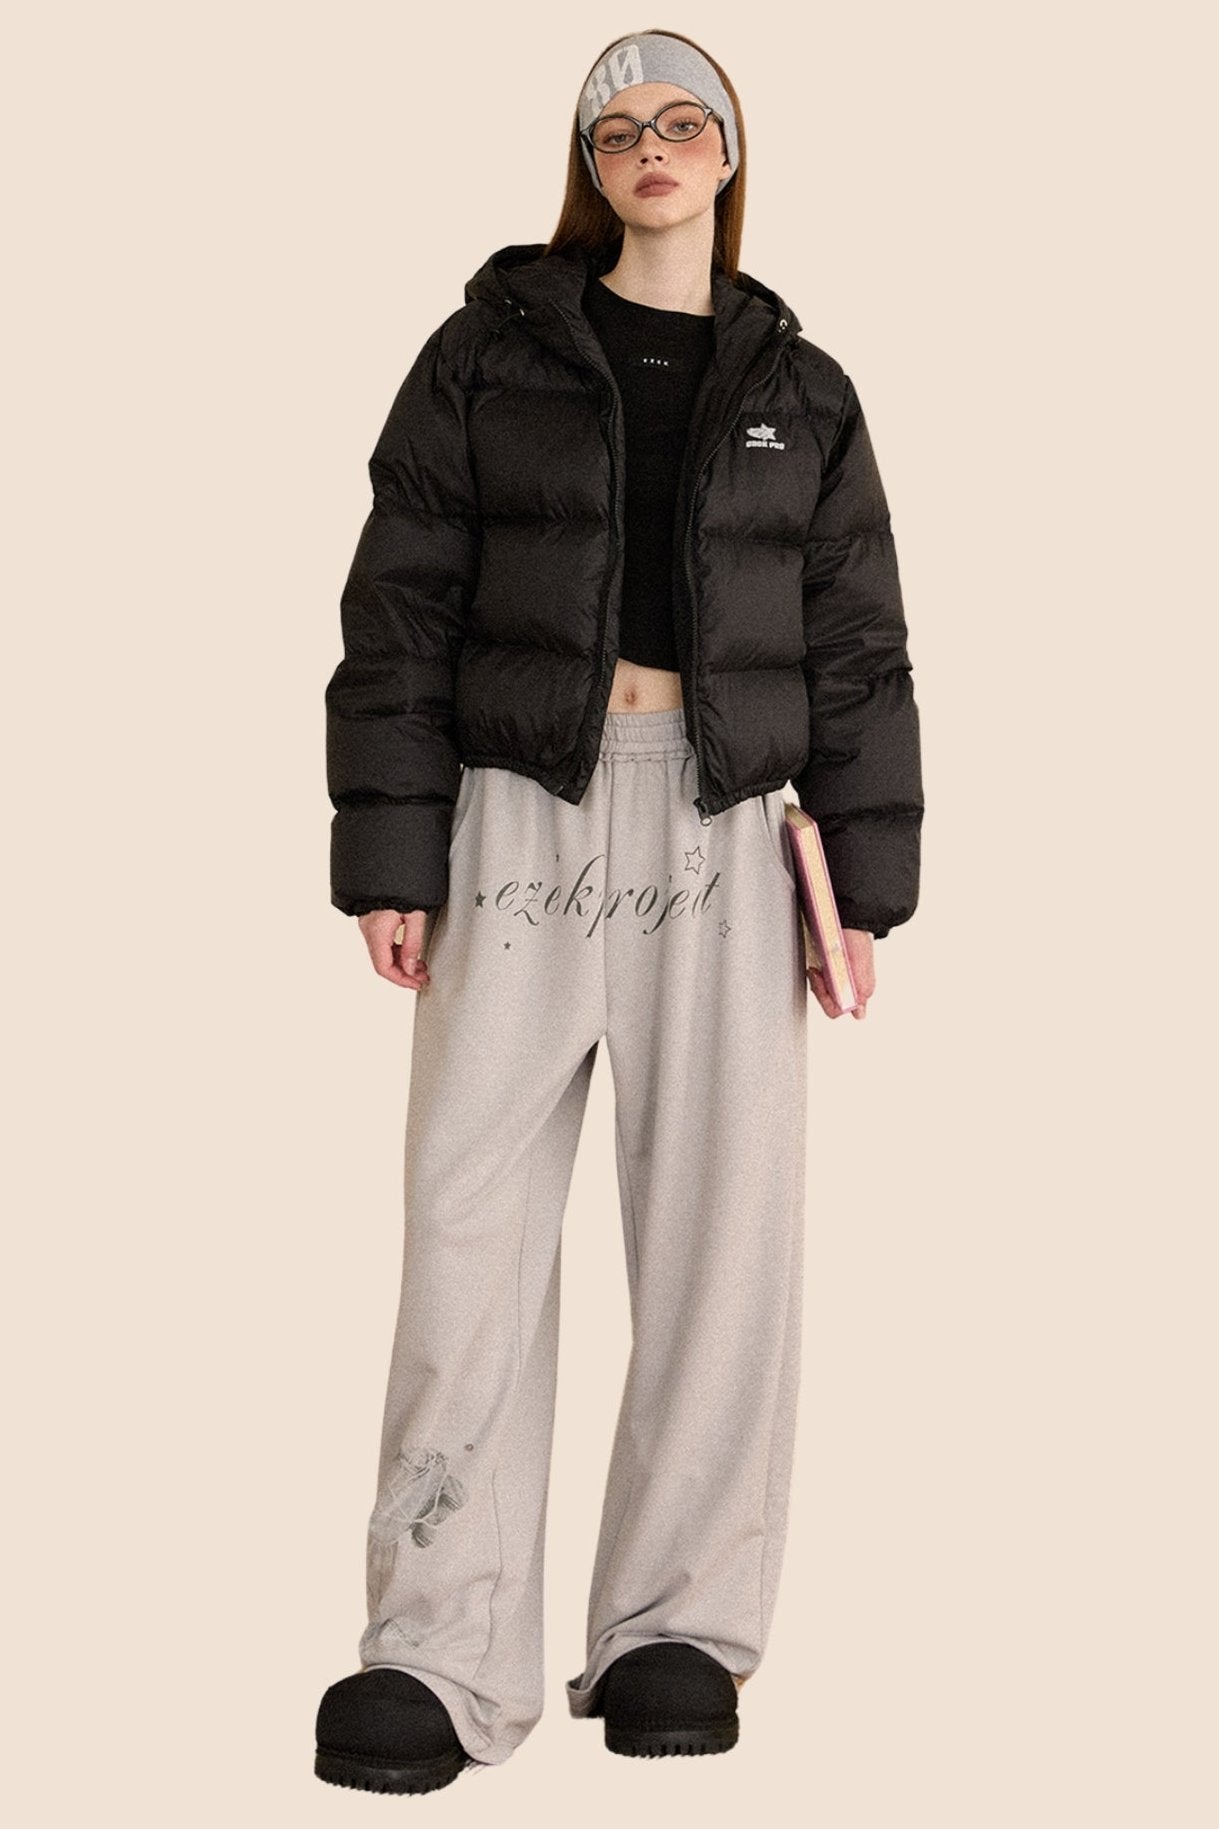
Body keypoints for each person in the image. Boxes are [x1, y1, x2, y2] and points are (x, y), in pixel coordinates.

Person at [314, 26, 923, 1795]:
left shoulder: (804, 392)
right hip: (520, 804)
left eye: (684, 121)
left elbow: (858, 640)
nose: (651, 146)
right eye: (617, 128)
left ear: (729, 154)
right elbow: (400, 599)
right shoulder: (481, 357)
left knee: (725, 1229)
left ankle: (676, 1626)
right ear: (588, 166)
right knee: (468, 1222)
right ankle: (434, 1647)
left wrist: (863, 880)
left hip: (729, 817)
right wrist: (393, 848)